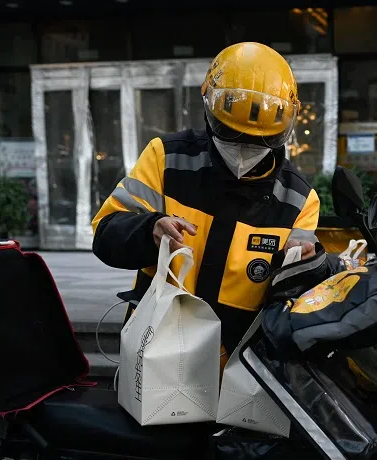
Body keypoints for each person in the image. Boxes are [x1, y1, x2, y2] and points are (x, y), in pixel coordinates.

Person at [91, 42, 320, 355]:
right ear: (209, 106)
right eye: (232, 133)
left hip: (242, 370)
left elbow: (299, 296)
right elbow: (106, 234)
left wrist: (308, 265)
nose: (243, 148)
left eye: (258, 141)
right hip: (158, 354)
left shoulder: (299, 200)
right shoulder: (167, 159)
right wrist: (150, 230)